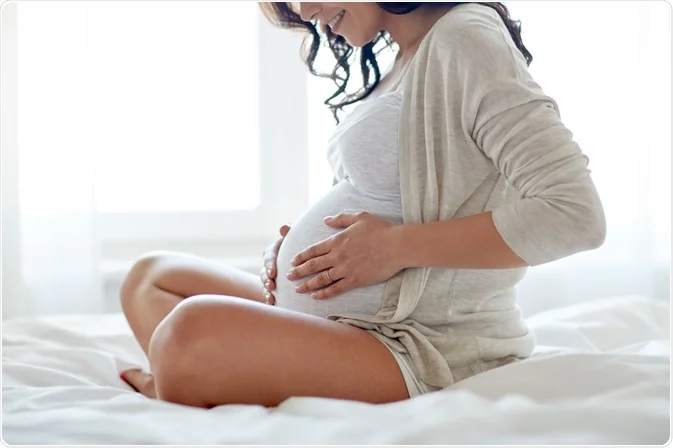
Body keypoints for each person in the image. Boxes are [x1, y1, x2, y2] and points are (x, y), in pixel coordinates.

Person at [119, 2, 606, 408]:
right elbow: (385, 203)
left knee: (187, 332)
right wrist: (295, 256)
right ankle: (201, 375)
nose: (307, 12)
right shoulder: (400, 60)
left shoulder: (466, 37)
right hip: (340, 322)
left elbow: (574, 214)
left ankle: (173, 382)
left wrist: (393, 248)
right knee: (150, 277)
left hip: (416, 343)